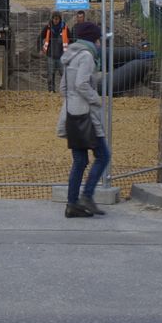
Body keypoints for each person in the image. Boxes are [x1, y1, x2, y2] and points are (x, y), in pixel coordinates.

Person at [56, 19, 110, 218]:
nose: (99, 44)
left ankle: (72, 204)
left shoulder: (70, 56)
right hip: (86, 115)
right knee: (103, 155)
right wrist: (96, 100)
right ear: (92, 40)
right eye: (98, 40)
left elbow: (63, 88)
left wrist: (73, 100)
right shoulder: (87, 56)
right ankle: (87, 196)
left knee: (79, 161)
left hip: (71, 112)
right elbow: (81, 84)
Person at [38, 11, 70, 93]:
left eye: (57, 19)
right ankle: (51, 90)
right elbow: (40, 37)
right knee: (50, 74)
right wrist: (40, 49)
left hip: (62, 55)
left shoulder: (65, 28)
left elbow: (71, 39)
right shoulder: (48, 28)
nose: (56, 20)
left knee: (64, 74)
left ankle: (65, 90)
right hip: (50, 55)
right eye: (54, 19)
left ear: (60, 19)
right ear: (52, 19)